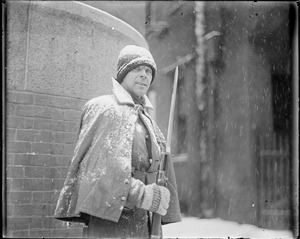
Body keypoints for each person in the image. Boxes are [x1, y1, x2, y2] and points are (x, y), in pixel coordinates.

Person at [54, 45, 181, 238]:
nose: (144, 75)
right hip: (112, 223)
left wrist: (160, 196)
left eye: (148, 71)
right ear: (123, 74)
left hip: (145, 222)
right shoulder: (105, 107)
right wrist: (142, 194)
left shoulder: (146, 119)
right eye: (137, 69)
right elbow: (99, 168)